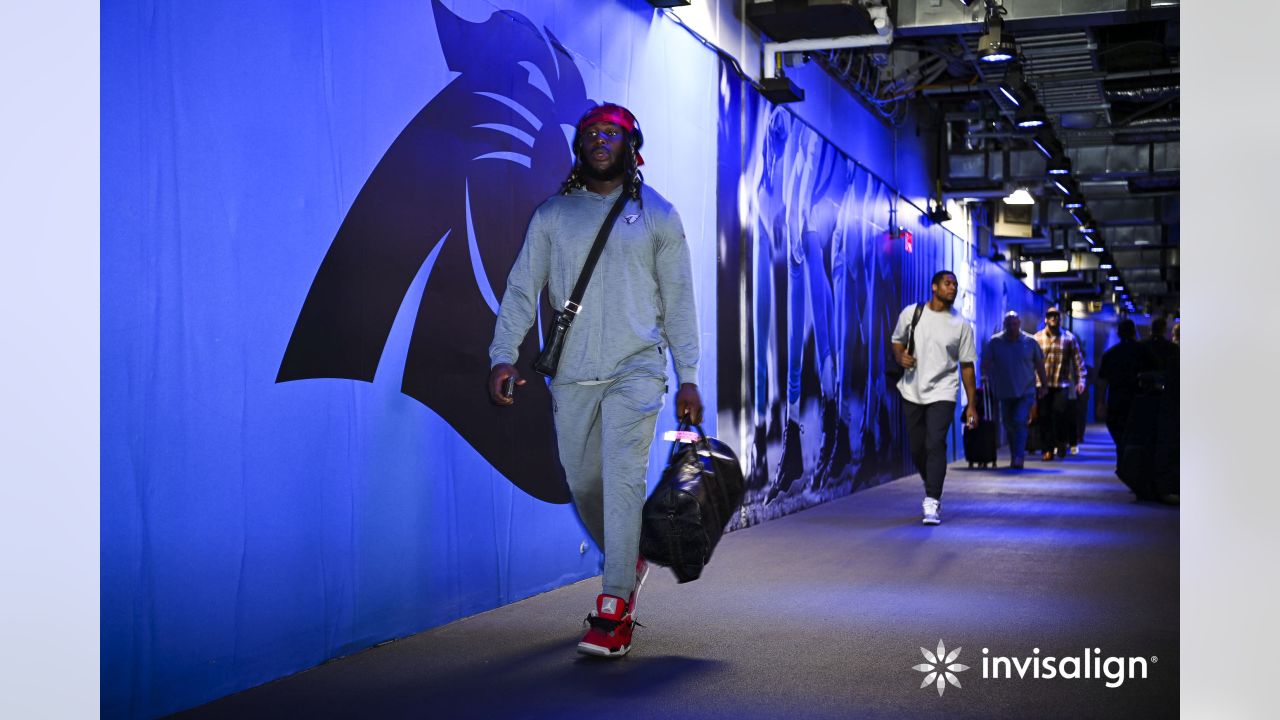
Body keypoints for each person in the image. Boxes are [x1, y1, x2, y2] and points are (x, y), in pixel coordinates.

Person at [486, 103, 703, 658]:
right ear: (578, 148)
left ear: (633, 146)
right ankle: (626, 555)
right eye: (590, 134)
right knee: (584, 485)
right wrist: (503, 355)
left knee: (624, 479)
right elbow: (520, 289)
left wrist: (688, 375)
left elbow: (678, 300)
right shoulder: (553, 216)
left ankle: (613, 607)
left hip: (637, 369)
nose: (599, 140)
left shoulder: (658, 216)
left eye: (611, 133)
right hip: (574, 375)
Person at [891, 270, 979, 525]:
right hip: (912, 390)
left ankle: (932, 500)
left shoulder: (961, 325)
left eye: (955, 284)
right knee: (918, 447)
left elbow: (967, 366)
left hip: (944, 392)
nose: (952, 288)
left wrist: (971, 404)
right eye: (947, 283)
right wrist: (900, 356)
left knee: (935, 443)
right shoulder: (913, 313)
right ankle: (932, 478)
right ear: (934, 287)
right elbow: (896, 341)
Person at [981, 310, 1048, 469]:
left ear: (1019, 324)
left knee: (1019, 421)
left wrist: (1044, 385)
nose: (1012, 327)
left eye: (1014, 324)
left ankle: (1018, 456)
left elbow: (1039, 365)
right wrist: (984, 378)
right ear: (1004, 325)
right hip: (1004, 392)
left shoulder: (1030, 342)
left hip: (1025, 391)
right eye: (1008, 324)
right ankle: (1015, 454)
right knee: (1009, 424)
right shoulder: (995, 342)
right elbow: (986, 363)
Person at [1095, 318, 1158, 460]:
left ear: (1119, 333)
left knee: (1119, 434)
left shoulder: (1110, 354)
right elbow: (1155, 374)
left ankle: (1122, 457)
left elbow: (1102, 381)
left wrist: (1100, 403)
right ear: (1134, 332)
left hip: (1116, 400)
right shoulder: (1144, 352)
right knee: (1136, 436)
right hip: (1139, 401)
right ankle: (1132, 460)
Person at [1033, 305, 1086, 461]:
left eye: (1056, 315)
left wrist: (1081, 380)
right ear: (1045, 318)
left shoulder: (1069, 338)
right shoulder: (1037, 338)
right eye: (1050, 315)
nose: (1053, 318)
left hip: (1061, 384)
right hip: (1042, 385)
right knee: (1044, 416)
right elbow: (1031, 362)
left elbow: (1078, 361)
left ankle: (1061, 443)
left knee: (1059, 415)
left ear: (1060, 318)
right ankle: (1047, 449)